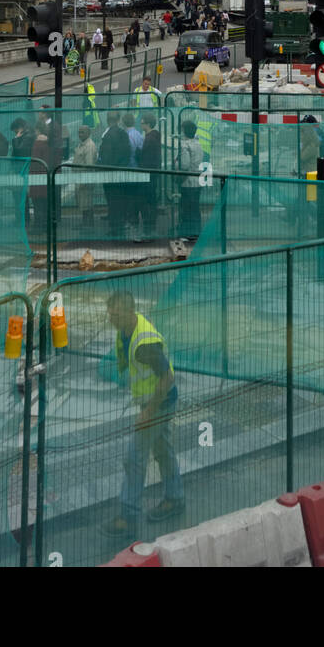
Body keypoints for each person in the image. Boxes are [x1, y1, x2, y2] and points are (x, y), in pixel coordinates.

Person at [100, 290, 184, 538]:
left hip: (159, 405)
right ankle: (175, 498)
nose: (111, 319)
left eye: (116, 314)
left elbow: (167, 377)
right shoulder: (126, 330)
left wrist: (149, 411)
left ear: (129, 311)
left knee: (135, 458)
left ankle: (127, 515)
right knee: (162, 450)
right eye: (110, 314)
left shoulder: (144, 345)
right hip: (154, 403)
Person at [98, 113, 133, 239]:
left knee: (112, 202)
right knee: (121, 201)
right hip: (121, 172)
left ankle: (115, 229)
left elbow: (105, 156)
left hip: (110, 174)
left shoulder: (107, 136)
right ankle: (121, 226)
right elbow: (128, 152)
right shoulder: (123, 134)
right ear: (118, 120)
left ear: (108, 121)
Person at [176, 118, 204, 241]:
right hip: (197, 180)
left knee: (187, 208)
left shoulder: (184, 146)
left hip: (187, 181)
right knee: (195, 208)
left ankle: (188, 233)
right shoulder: (198, 144)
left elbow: (184, 165)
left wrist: (175, 163)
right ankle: (196, 231)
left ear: (184, 131)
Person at [137, 114, 162, 240]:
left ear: (147, 124)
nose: (141, 125)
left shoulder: (150, 139)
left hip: (148, 175)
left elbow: (146, 158)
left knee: (147, 202)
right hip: (153, 174)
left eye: (142, 123)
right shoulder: (154, 137)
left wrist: (138, 155)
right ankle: (150, 228)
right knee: (151, 201)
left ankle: (149, 230)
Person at [71, 124, 99, 229]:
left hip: (85, 179)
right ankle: (85, 223)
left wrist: (85, 181)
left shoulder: (89, 146)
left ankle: (89, 224)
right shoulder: (81, 144)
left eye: (82, 132)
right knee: (83, 203)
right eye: (79, 132)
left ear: (88, 133)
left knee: (87, 203)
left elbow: (89, 165)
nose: (80, 134)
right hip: (79, 178)